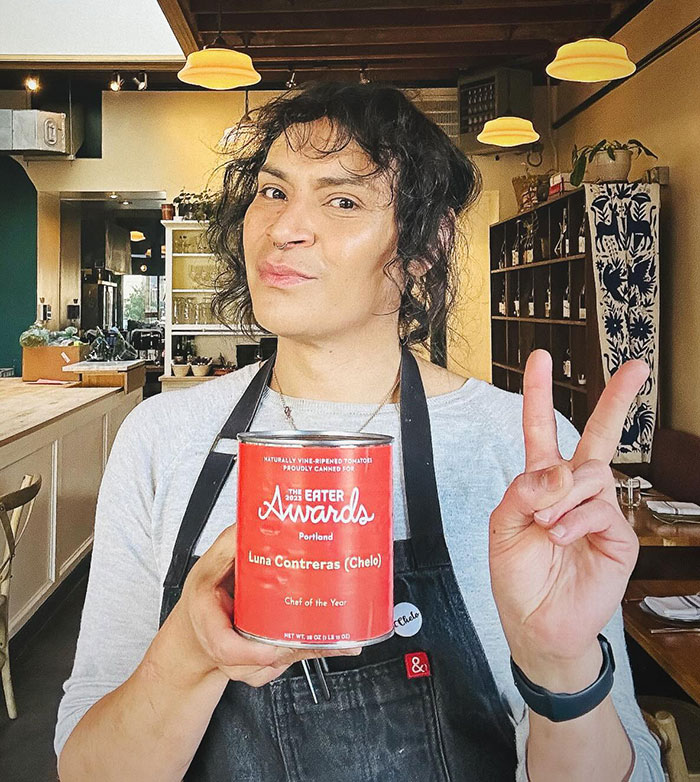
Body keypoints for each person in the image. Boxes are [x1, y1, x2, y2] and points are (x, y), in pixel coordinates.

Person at [55, 82, 663, 781]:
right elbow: (88, 768)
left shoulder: (519, 454)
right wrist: (189, 652)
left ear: (425, 245)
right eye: (273, 191)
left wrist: (560, 669)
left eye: (342, 201)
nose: (284, 227)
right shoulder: (163, 437)